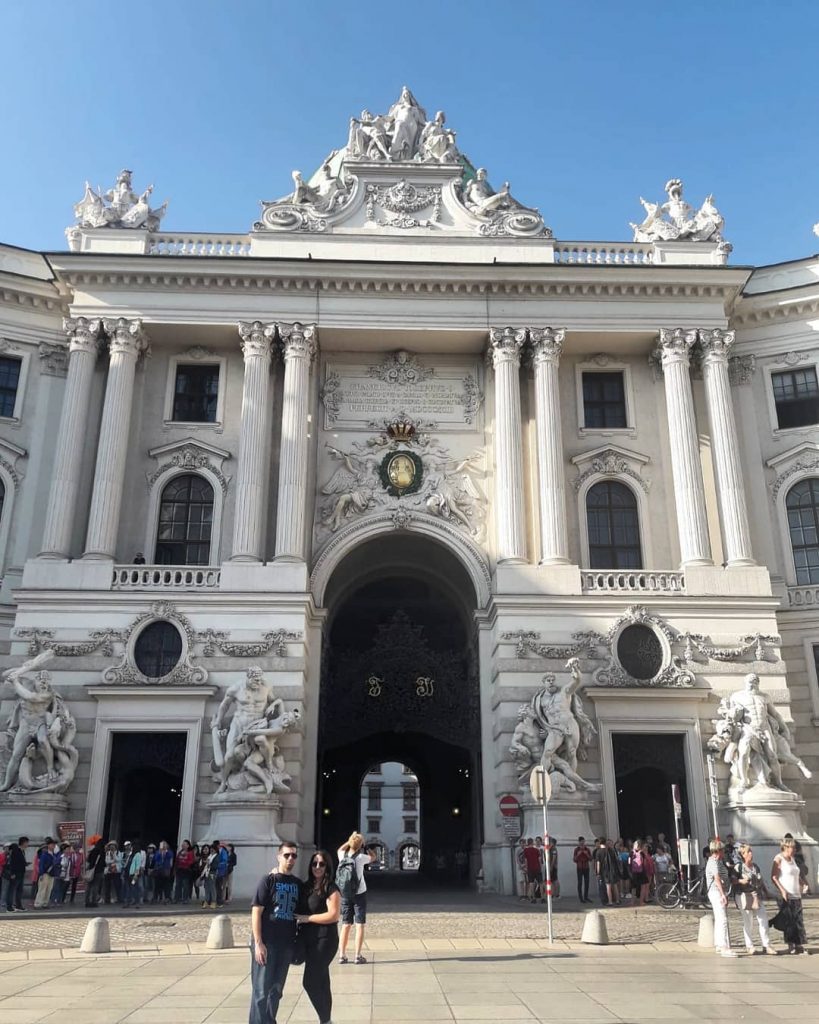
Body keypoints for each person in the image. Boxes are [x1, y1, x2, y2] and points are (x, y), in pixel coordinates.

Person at [250, 840, 302, 1024]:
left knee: (276, 991)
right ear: (279, 856)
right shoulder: (268, 880)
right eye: (287, 855)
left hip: (286, 944)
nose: (290, 858)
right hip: (267, 942)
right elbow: (256, 912)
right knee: (261, 992)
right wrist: (258, 943)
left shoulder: (298, 884)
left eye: (294, 855)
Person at [296, 850, 341, 1024]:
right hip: (308, 940)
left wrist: (308, 918)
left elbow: (334, 915)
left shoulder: (331, 888)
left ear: (327, 867)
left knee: (309, 982)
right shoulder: (306, 886)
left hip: (325, 940)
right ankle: (326, 1020)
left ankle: (325, 1020)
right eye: (314, 863)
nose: (317, 867)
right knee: (322, 981)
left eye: (322, 864)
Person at [336, 832, 375, 964]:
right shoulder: (361, 857)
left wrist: (349, 842)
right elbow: (373, 857)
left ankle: (342, 955)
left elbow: (339, 849)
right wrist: (366, 846)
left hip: (345, 894)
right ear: (360, 845)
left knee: (345, 924)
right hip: (360, 893)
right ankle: (357, 956)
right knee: (360, 925)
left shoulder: (342, 855)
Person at [733, 843, 775, 955]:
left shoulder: (755, 866)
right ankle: (749, 946)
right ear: (743, 855)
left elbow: (761, 880)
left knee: (763, 920)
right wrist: (741, 881)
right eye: (748, 852)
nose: (751, 853)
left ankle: (766, 945)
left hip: (757, 896)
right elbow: (733, 880)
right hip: (744, 896)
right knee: (748, 922)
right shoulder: (739, 867)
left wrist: (766, 892)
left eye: (751, 851)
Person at [771, 836, 809, 954]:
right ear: (786, 847)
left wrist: (803, 884)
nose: (794, 850)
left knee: (798, 920)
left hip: (796, 894)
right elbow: (774, 877)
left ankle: (799, 945)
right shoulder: (779, 859)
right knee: (789, 921)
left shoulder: (793, 859)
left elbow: (797, 875)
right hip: (786, 895)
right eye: (793, 847)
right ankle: (791, 945)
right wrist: (782, 890)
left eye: (795, 848)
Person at [705, 839, 737, 958]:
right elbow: (717, 878)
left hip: (717, 891)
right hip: (716, 892)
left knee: (719, 919)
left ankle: (719, 944)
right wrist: (723, 894)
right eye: (722, 849)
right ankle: (724, 947)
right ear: (718, 850)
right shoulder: (713, 862)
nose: (724, 851)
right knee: (723, 919)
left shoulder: (718, 861)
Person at [2, 836, 28, 911]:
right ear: (23, 843)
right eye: (26, 843)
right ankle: (9, 906)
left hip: (21, 873)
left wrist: (25, 864)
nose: (27, 844)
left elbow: (20, 862)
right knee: (12, 890)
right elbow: (13, 863)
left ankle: (18, 905)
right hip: (15, 873)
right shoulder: (16, 851)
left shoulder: (22, 851)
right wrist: (12, 873)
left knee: (19, 890)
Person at [33, 838, 56, 908]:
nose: (54, 846)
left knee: (49, 889)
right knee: (42, 889)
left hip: (51, 874)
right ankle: (38, 903)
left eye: (54, 844)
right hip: (45, 873)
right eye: (52, 844)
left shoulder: (53, 854)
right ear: (48, 845)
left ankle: (45, 903)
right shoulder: (44, 854)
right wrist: (41, 874)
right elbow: (41, 865)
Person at [123, 841, 145, 907]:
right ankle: (128, 902)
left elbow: (138, 866)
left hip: (133, 875)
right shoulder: (130, 855)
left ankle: (137, 902)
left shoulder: (138, 855)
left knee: (134, 888)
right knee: (128, 888)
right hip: (128, 874)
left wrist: (136, 874)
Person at [85, 835, 105, 907]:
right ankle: (94, 901)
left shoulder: (93, 851)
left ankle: (87, 901)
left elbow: (88, 860)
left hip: (91, 870)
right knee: (96, 886)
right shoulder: (102, 852)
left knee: (89, 886)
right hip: (99, 871)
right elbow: (104, 863)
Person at [522, 838, 543, 904]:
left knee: (531, 883)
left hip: (530, 869)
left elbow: (526, 860)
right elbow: (539, 859)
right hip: (537, 868)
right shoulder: (536, 850)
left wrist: (526, 868)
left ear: (527, 843)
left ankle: (533, 898)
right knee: (540, 883)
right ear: (532, 842)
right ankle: (543, 898)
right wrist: (540, 867)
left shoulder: (525, 850)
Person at [629, 840, 649, 906]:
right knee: (643, 886)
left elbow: (629, 862)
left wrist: (630, 870)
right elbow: (644, 863)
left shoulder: (631, 853)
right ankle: (641, 902)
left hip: (633, 872)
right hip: (641, 872)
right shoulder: (642, 853)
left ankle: (632, 902)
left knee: (633, 887)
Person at [573, 837, 591, 903]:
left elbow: (591, 859)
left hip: (586, 867)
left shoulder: (587, 849)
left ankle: (586, 897)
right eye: (581, 841)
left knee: (587, 883)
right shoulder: (576, 849)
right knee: (580, 883)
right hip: (579, 868)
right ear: (579, 842)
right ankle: (581, 898)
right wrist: (578, 854)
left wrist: (587, 854)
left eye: (583, 841)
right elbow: (574, 860)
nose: (583, 842)